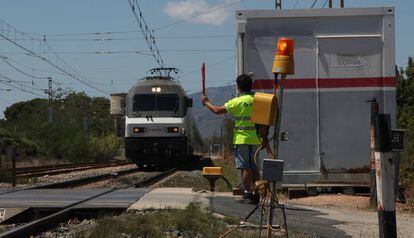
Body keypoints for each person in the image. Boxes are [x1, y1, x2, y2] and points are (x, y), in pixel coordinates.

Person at [201, 74, 260, 204]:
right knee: (254, 167)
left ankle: (248, 194)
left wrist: (206, 102)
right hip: (256, 139)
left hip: (241, 139)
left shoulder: (237, 101)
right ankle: (257, 193)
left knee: (245, 167)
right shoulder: (258, 99)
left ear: (238, 87)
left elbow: (217, 110)